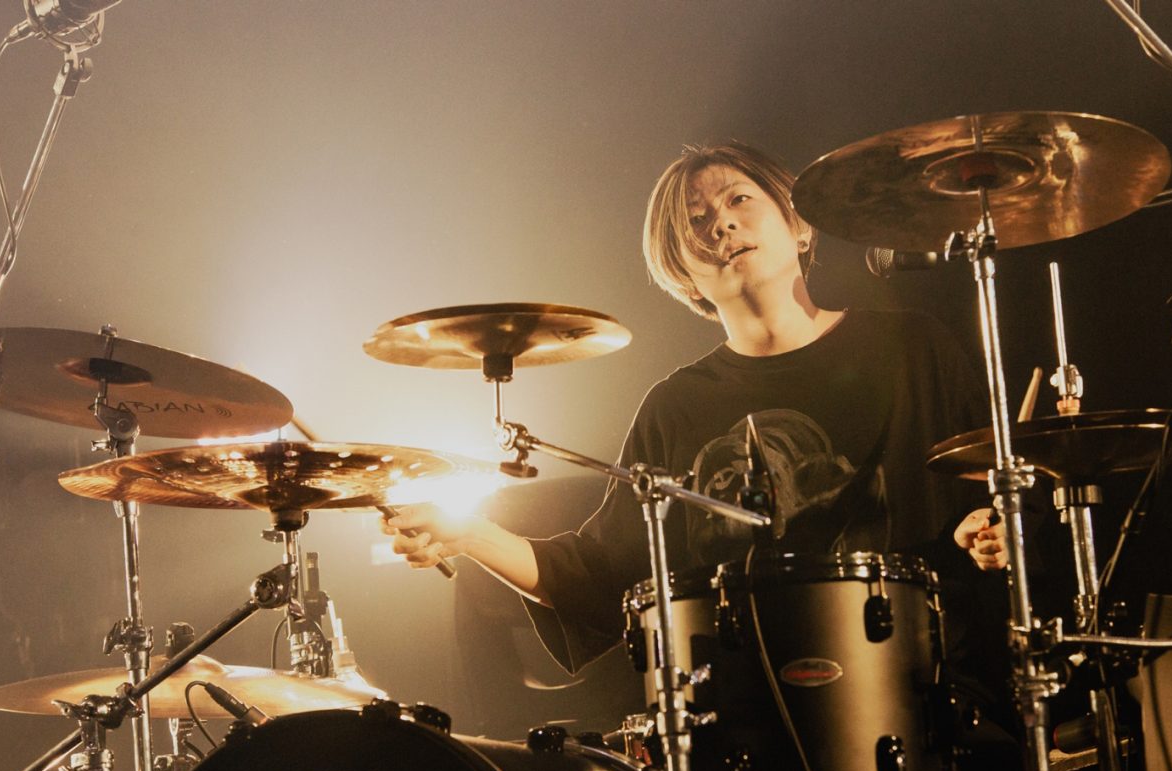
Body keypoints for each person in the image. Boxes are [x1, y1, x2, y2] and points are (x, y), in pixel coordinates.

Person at [384, 141, 1007, 672]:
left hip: (929, 686)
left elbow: (1000, 491)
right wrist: (469, 533)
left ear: (799, 223)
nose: (721, 225)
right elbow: (600, 575)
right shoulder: (674, 407)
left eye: (739, 200)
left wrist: (995, 528)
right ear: (681, 272)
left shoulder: (913, 348)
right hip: (750, 715)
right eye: (697, 221)